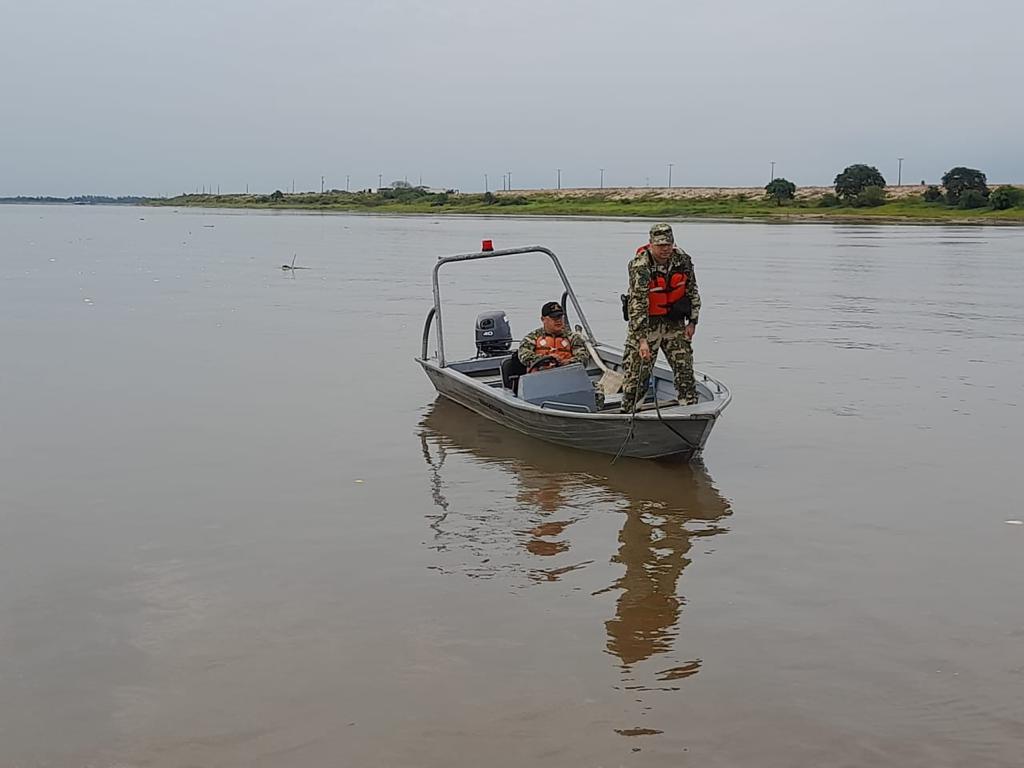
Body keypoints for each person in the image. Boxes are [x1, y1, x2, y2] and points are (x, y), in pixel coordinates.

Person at [620, 222, 701, 412]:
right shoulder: (640, 265)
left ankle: (689, 407)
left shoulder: (683, 260)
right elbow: (638, 302)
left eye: (668, 244)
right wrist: (642, 341)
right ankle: (629, 410)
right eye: (660, 245)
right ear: (651, 244)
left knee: (685, 368)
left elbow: (692, 290)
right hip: (647, 324)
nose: (665, 249)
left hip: (674, 322)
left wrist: (693, 321)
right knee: (638, 373)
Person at [517, 301, 589, 372]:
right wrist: (546, 360)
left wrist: (568, 362)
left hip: (567, 374)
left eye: (560, 317)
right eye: (554, 318)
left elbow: (583, 357)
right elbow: (524, 356)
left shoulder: (573, 338)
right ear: (543, 319)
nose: (558, 321)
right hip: (540, 377)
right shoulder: (532, 338)